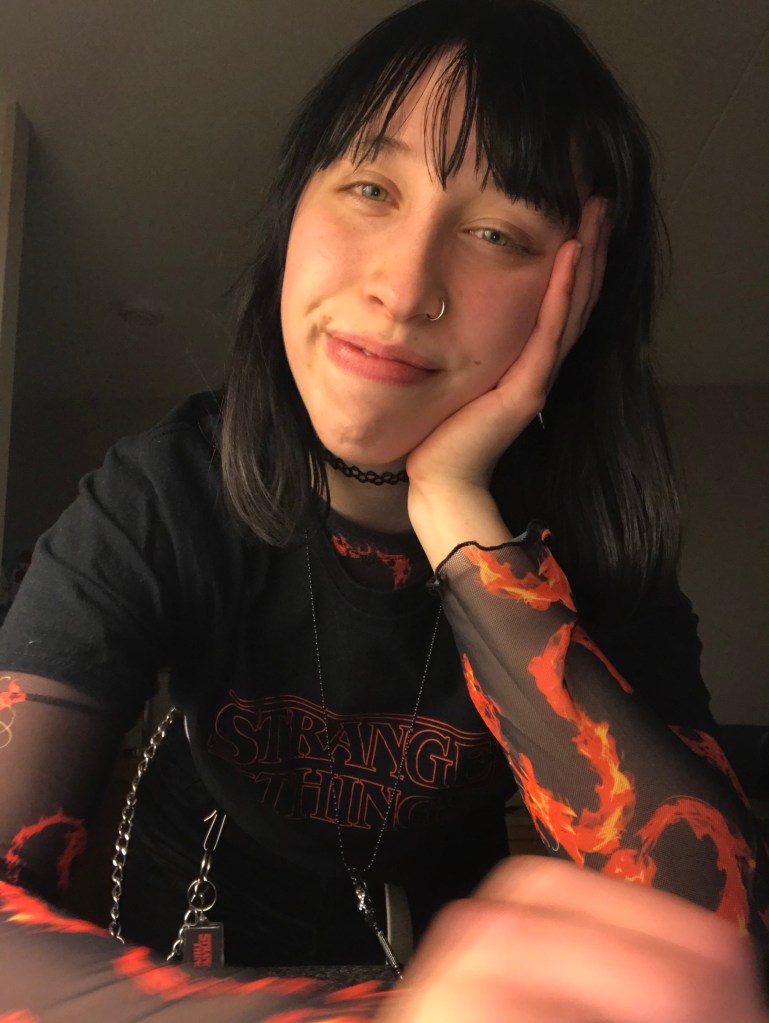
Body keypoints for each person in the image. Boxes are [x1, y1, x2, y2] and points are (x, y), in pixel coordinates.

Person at [0, 0, 766, 1019]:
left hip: (447, 923)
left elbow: (711, 935)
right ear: (294, 214)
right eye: (370, 187)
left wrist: (458, 519)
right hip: (191, 907)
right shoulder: (158, 498)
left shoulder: (590, 547)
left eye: (496, 233)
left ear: (575, 302)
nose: (404, 289)